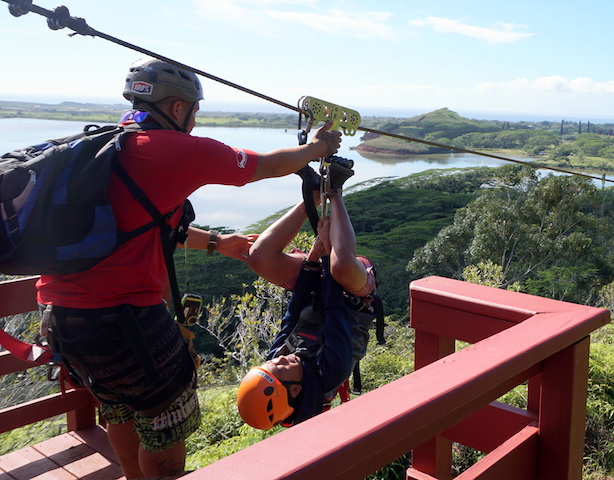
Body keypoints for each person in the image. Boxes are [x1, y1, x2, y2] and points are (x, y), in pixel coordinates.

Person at [35, 57, 343, 480]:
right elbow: (268, 165)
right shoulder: (175, 150)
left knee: (119, 408)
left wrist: (218, 242)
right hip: (125, 321)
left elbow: (153, 224)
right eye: (194, 111)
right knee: (165, 426)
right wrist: (321, 147)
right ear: (177, 108)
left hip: (60, 317)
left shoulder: (107, 147)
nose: (195, 122)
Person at [237, 158, 376, 430]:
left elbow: (294, 308)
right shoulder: (331, 370)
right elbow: (336, 310)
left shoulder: (279, 356)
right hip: (352, 297)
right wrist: (326, 254)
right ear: (296, 390)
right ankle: (335, 191)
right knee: (341, 266)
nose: (277, 359)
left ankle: (313, 194)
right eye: (279, 369)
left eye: (270, 364)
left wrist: (313, 258)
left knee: (259, 257)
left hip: (315, 290)